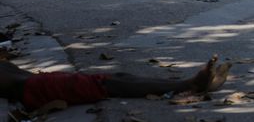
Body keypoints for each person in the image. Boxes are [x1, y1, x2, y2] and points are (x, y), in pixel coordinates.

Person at [0, 55, 230, 113]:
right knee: (109, 85)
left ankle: (184, 83)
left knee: (117, 78)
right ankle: (189, 84)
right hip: (33, 90)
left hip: (37, 82)